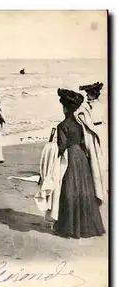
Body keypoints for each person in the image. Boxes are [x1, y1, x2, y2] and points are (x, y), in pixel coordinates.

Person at [54, 89, 105, 239]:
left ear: (65, 108)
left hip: (69, 157)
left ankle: (68, 227)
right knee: (84, 190)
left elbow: (61, 146)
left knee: (69, 190)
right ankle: (86, 226)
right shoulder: (80, 124)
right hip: (81, 157)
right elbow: (84, 142)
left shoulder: (62, 125)